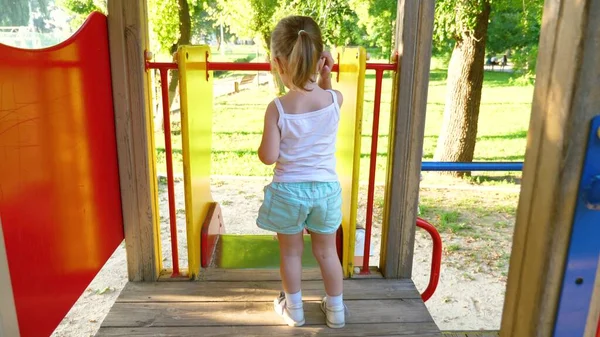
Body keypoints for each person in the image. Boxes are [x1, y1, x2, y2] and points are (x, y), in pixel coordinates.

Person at [256, 15, 346, 329]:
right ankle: (336, 311)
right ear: (321, 58)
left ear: (278, 63)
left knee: (291, 254)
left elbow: (268, 157)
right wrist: (326, 78)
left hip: (289, 193)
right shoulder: (335, 99)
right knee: (327, 253)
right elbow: (324, 100)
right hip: (325, 192)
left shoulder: (277, 107)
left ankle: (294, 309)